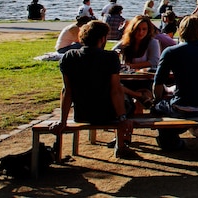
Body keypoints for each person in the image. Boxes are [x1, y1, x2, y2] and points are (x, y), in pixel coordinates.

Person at [52, 21, 135, 159]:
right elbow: (115, 90)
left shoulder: (69, 57)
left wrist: (62, 120)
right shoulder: (110, 57)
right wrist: (122, 118)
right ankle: (121, 145)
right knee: (129, 102)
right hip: (107, 114)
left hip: (82, 114)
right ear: (102, 39)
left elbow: (67, 91)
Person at [152, 15, 198, 150]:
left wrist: (156, 100)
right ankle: (188, 127)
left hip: (181, 106)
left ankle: (169, 135)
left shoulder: (171, 52)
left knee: (157, 106)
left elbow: (158, 82)